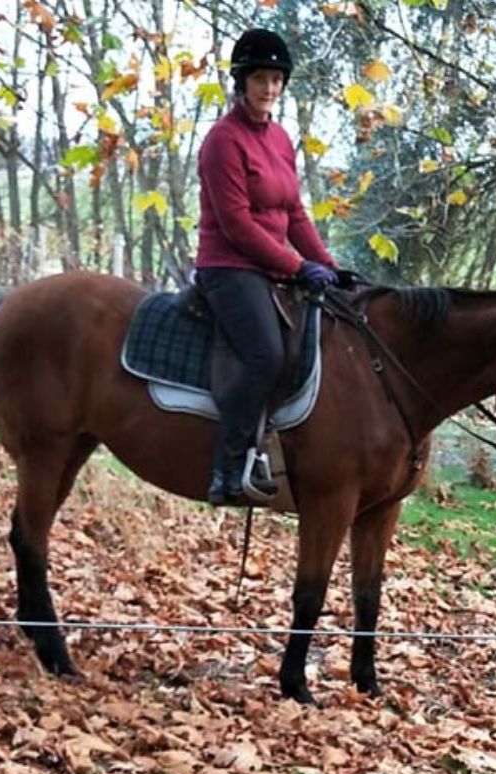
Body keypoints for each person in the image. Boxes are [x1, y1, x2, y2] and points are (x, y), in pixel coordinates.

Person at [195, 27, 338, 506]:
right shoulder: (222, 141)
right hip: (229, 268)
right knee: (266, 354)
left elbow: (294, 213)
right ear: (241, 82)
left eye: (276, 79)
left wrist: (327, 266)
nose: (269, 88)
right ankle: (228, 470)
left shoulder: (279, 138)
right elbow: (236, 225)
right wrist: (298, 266)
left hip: (271, 267)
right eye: (260, 77)